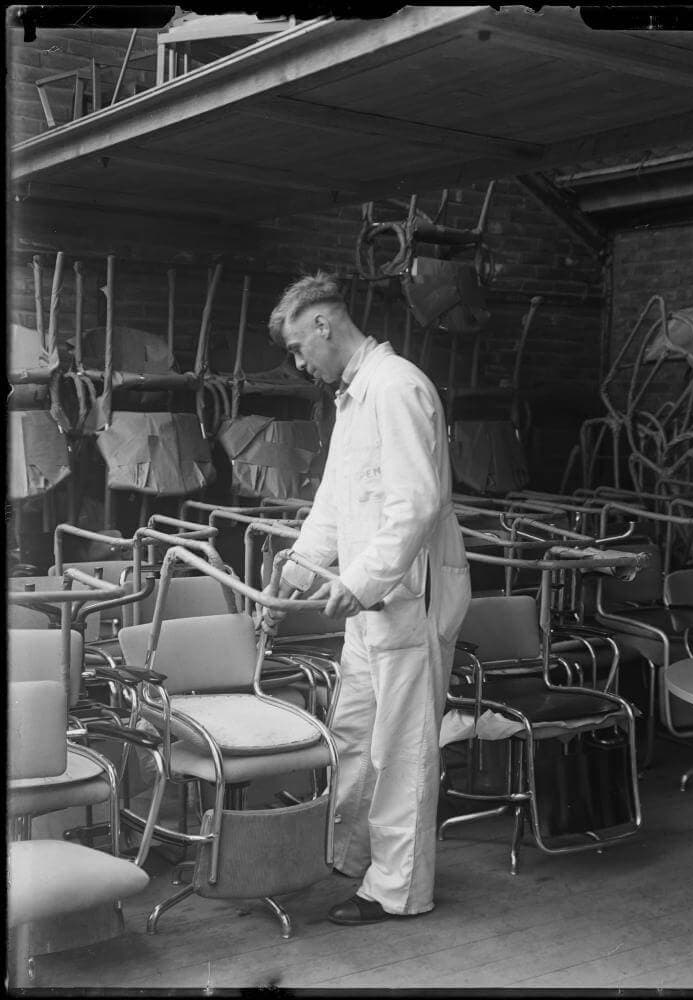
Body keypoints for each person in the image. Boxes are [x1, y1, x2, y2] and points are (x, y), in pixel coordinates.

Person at [264, 272, 471, 925]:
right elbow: (335, 502)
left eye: (300, 347)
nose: (301, 362)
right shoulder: (355, 398)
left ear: (325, 323)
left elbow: (417, 505)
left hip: (407, 601)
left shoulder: (398, 386)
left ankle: (399, 890)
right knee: (353, 736)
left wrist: (358, 583)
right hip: (366, 603)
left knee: (402, 747)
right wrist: (294, 573)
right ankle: (351, 855)